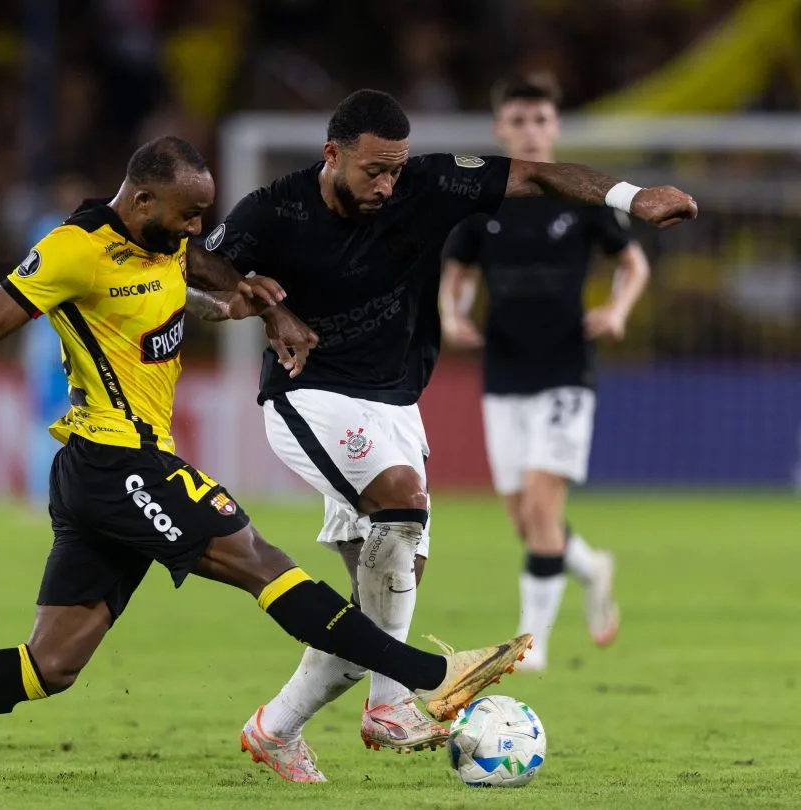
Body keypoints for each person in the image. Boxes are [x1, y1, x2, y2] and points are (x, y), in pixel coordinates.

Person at [0, 135, 533, 788]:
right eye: (189, 216)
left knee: (51, 665)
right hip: (113, 463)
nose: (197, 231)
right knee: (261, 561)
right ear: (143, 199)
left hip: (113, 473)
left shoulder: (158, 243)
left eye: (202, 217)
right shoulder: (73, 250)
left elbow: (173, 294)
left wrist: (250, 307)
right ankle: (433, 678)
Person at [202, 89, 695, 780]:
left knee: (381, 597)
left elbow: (537, 174)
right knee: (402, 504)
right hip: (307, 393)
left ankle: (275, 728)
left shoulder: (428, 183)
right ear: (332, 154)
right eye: (374, 170)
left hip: (397, 403)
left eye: (396, 169)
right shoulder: (275, 208)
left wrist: (630, 196)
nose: (387, 184)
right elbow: (202, 262)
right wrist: (262, 305)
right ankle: (391, 702)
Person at [438, 75, 651, 671]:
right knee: (524, 517)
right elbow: (457, 274)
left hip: (565, 370)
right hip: (503, 369)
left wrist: (616, 309)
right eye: (519, 120)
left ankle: (532, 645)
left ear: (554, 127)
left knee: (540, 502)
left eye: (540, 120)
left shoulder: (582, 195)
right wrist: (452, 318)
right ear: (499, 128)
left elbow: (632, 264)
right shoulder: (481, 202)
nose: (530, 130)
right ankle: (590, 566)